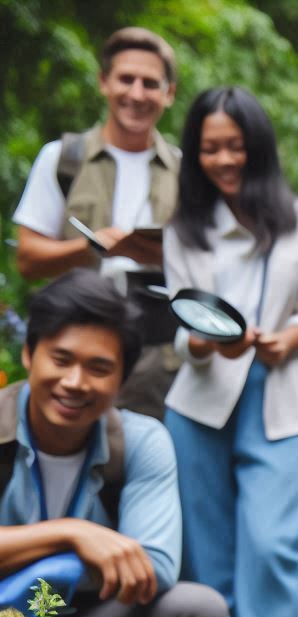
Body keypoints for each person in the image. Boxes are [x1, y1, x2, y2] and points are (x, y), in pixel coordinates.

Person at [162, 87, 298, 617]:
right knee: (211, 561)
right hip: (200, 402)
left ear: (259, 147)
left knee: (272, 548)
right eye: (210, 147)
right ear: (195, 153)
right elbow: (182, 320)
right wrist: (201, 342)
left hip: (279, 395)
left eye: (236, 145)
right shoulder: (184, 227)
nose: (224, 158)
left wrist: (291, 337)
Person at [0, 270, 230, 617]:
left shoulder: (140, 441)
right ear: (29, 354)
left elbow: (156, 568)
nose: (75, 382)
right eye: (60, 359)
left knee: (199, 612)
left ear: (122, 378)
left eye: (98, 367)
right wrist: (72, 534)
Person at [13, 27, 182, 421]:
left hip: (157, 360)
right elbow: (27, 260)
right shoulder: (62, 158)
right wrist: (92, 248)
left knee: (141, 464)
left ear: (168, 93)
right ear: (104, 82)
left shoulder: (186, 171)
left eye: (150, 83)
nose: (137, 94)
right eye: (126, 79)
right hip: (71, 350)